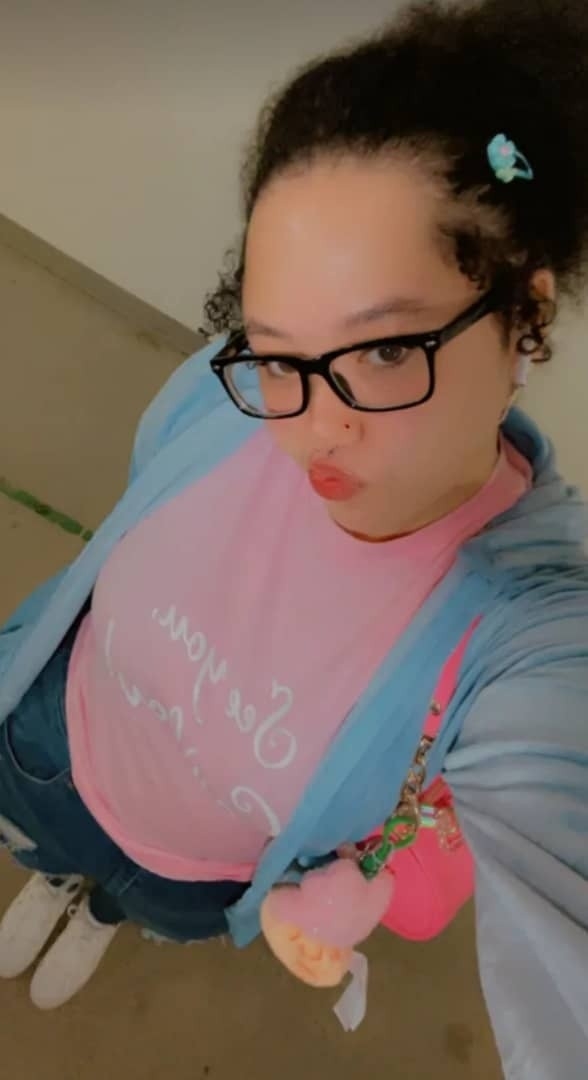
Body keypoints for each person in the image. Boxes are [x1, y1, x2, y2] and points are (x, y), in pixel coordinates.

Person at [0, 0, 586, 1073]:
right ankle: (55, 878)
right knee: (51, 840)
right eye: (276, 353)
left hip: (195, 871)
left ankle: (104, 911)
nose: (313, 427)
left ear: (525, 314)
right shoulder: (220, 396)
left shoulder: (525, 624)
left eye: (384, 351)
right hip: (58, 738)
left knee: (134, 896)